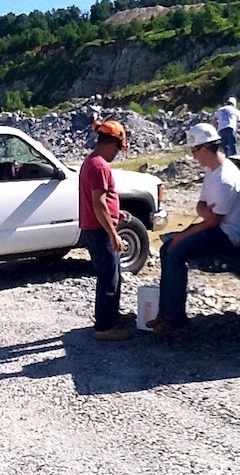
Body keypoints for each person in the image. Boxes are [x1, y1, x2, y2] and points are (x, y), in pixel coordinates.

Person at [147, 123, 240, 336]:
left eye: (194, 151)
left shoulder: (225, 179)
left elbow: (213, 221)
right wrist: (204, 212)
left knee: (175, 250)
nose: (194, 156)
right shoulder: (212, 172)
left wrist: (184, 234)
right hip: (218, 226)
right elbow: (201, 207)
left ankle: (174, 318)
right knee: (167, 249)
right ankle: (166, 313)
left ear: (204, 148)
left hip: (229, 234)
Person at [79, 119, 135, 341]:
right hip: (99, 231)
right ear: (111, 143)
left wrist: (116, 214)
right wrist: (113, 233)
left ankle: (111, 315)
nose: (117, 154)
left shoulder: (91, 162)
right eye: (118, 150)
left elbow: (100, 203)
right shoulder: (100, 165)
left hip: (95, 226)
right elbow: (99, 203)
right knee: (108, 277)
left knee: (113, 273)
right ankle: (104, 327)